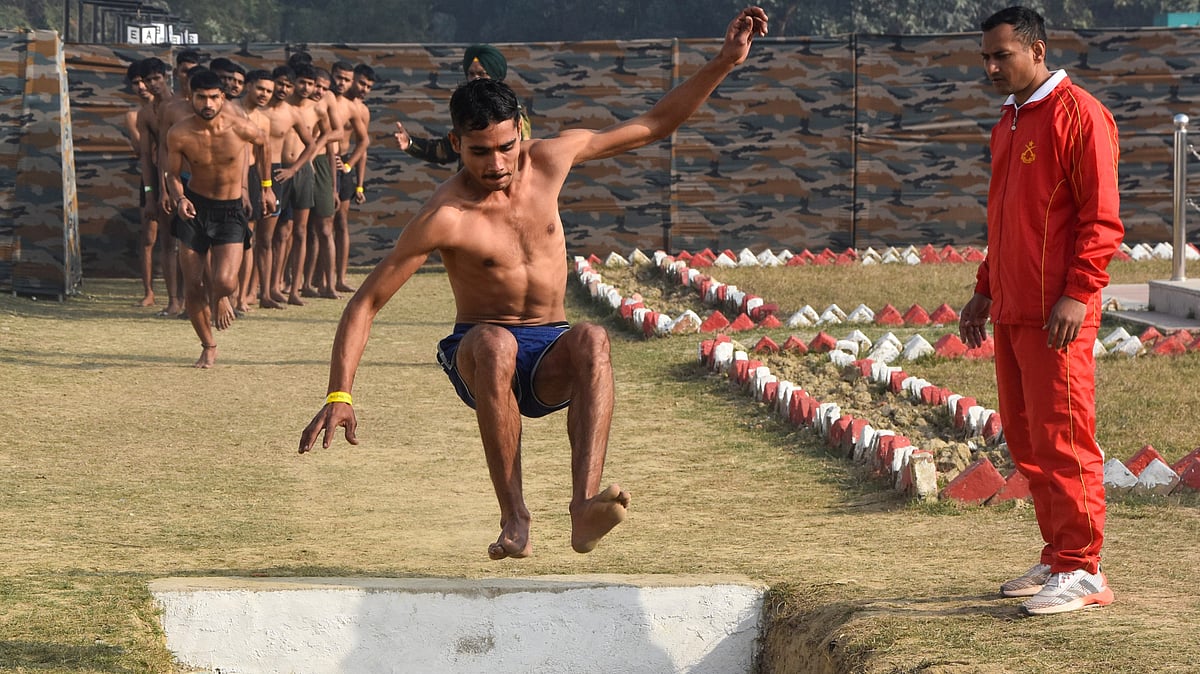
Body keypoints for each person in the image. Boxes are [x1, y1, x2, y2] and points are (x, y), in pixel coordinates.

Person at [299, 7, 769, 560]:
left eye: (506, 147)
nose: (497, 164)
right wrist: (339, 393)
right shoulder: (445, 215)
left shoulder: (550, 160)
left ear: (520, 130)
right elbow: (365, 303)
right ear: (456, 144)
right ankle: (514, 517)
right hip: (480, 349)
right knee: (495, 343)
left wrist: (724, 61)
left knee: (592, 337)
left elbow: (655, 124)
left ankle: (583, 508)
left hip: (549, 348)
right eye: (479, 152)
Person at [959, 6, 1123, 616]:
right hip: (1013, 309)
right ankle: (1059, 557)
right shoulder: (1009, 120)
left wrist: (1078, 294)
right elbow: (1006, 219)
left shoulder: (1080, 114)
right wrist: (985, 289)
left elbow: (1101, 219)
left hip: (1058, 314)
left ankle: (1084, 569)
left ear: (1038, 50)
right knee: (1030, 443)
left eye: (1001, 55)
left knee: (1065, 440)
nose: (991, 67)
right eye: (985, 57)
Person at [164, 69, 270, 368]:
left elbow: (264, 143)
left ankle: (221, 296)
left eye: (213, 97)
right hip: (195, 208)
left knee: (225, 281)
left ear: (223, 97)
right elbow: (172, 174)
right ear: (191, 97)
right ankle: (208, 345)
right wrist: (180, 198)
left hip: (230, 210)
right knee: (193, 283)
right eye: (201, 98)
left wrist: (266, 187)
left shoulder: (240, 127)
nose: (208, 104)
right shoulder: (179, 133)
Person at [393, 45, 531, 168]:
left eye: (481, 74)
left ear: (495, 78)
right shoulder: (469, 113)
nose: (476, 79)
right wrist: (410, 143)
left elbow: (523, 157)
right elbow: (445, 150)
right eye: (471, 74)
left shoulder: (511, 114)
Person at [330, 62, 374, 293]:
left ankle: (340, 277)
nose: (364, 89)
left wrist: (358, 183)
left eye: (369, 86)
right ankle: (318, 278)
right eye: (362, 83)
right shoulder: (328, 100)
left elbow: (363, 146)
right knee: (318, 225)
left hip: (344, 165)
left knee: (340, 222)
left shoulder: (360, 110)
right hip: (324, 162)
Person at [124, 58, 157, 307]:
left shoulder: (171, 109)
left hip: (174, 175)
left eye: (145, 81)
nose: (142, 87)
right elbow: (140, 149)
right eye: (136, 83)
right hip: (149, 178)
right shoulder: (133, 116)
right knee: (148, 237)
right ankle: (148, 292)